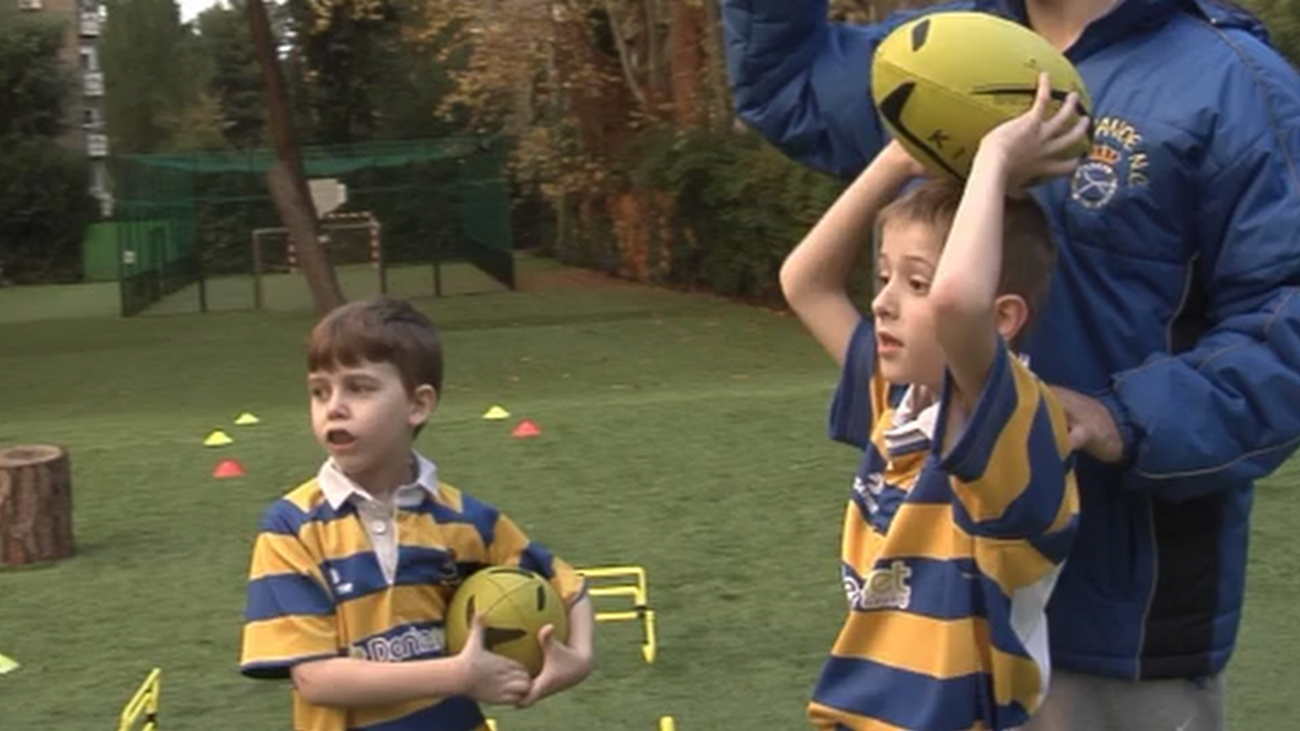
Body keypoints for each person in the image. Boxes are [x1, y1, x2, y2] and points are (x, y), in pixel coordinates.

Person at [722, 0, 1300, 728]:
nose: (892, 301)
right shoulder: (948, 47)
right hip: (938, 633)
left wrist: (1122, 417)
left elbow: (1285, 324)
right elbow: (789, 88)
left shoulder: (1231, 83)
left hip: (1114, 628)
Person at [782, 76, 1085, 730]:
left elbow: (957, 304)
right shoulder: (898, 401)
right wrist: (900, 158)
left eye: (914, 281)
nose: (883, 300)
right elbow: (802, 281)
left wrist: (996, 158)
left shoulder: (1010, 426)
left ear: (1004, 318)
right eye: (883, 275)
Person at [238, 296, 595, 731]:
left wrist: (577, 660)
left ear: (418, 405)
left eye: (359, 387)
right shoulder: (292, 528)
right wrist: (459, 674)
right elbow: (315, 678)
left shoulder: (464, 520)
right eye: (319, 391)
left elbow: (568, 584)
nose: (334, 406)